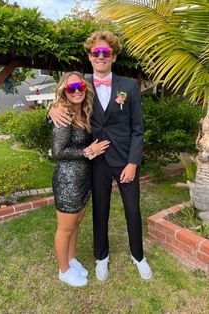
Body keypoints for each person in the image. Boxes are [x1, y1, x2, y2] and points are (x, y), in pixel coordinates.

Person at [49, 31, 152, 281]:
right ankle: (101, 257)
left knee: (132, 210)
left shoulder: (128, 86)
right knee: (100, 211)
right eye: (96, 52)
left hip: (125, 160)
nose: (101, 56)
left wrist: (133, 162)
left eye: (106, 52)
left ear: (114, 57)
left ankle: (138, 256)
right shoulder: (80, 84)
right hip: (96, 162)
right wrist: (50, 111)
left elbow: (138, 129)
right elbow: (61, 102)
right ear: (90, 55)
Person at [51, 71, 110, 287]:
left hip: (83, 179)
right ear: (63, 92)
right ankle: (63, 270)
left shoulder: (84, 112)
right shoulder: (63, 116)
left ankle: (71, 259)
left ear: (85, 88)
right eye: (70, 88)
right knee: (65, 228)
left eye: (80, 86)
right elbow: (58, 152)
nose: (76, 91)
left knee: (75, 224)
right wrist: (88, 151)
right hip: (68, 181)